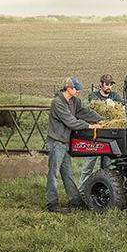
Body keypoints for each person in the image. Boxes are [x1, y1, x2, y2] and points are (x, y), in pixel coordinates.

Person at [45, 77, 103, 212]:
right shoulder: (58, 103)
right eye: (76, 88)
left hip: (64, 142)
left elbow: (84, 112)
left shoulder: (74, 101)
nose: (77, 91)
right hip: (56, 142)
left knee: (68, 173)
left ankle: (76, 201)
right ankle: (52, 204)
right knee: (53, 173)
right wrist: (89, 126)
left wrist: (101, 119)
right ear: (68, 88)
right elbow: (70, 121)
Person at [79, 74, 124, 187]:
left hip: (109, 135)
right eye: (107, 84)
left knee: (107, 166)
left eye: (111, 85)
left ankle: (104, 189)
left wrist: (116, 106)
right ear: (101, 84)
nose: (109, 87)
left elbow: (121, 106)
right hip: (95, 135)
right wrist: (109, 106)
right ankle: (82, 190)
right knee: (89, 165)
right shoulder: (93, 96)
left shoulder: (115, 96)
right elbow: (94, 108)